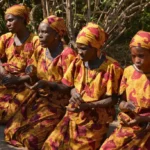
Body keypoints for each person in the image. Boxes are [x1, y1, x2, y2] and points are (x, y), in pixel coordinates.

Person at [42, 22, 123, 150]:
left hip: (96, 120)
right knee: (50, 146)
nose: (79, 52)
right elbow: (70, 86)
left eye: (84, 48)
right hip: (73, 114)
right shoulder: (78, 62)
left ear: (96, 47)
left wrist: (89, 105)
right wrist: (74, 94)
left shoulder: (112, 67)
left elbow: (113, 99)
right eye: (78, 47)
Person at [5, 15, 76, 150]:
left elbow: (70, 87)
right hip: (39, 98)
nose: (40, 35)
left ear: (56, 34)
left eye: (45, 32)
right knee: (11, 130)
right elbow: (33, 74)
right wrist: (31, 75)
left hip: (58, 104)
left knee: (31, 140)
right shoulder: (41, 50)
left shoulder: (68, 55)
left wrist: (49, 84)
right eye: (39, 32)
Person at [100, 31, 150, 150]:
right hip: (128, 124)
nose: (137, 60)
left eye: (141, 56)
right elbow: (121, 102)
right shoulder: (128, 72)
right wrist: (126, 105)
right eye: (133, 56)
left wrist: (143, 118)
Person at [0, 4, 39, 124]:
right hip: (5, 78)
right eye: (6, 21)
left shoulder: (35, 41)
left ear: (22, 19)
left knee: (7, 115)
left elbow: (38, 70)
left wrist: (17, 80)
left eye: (11, 20)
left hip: (24, 84)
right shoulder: (5, 38)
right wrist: (3, 73)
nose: (8, 24)